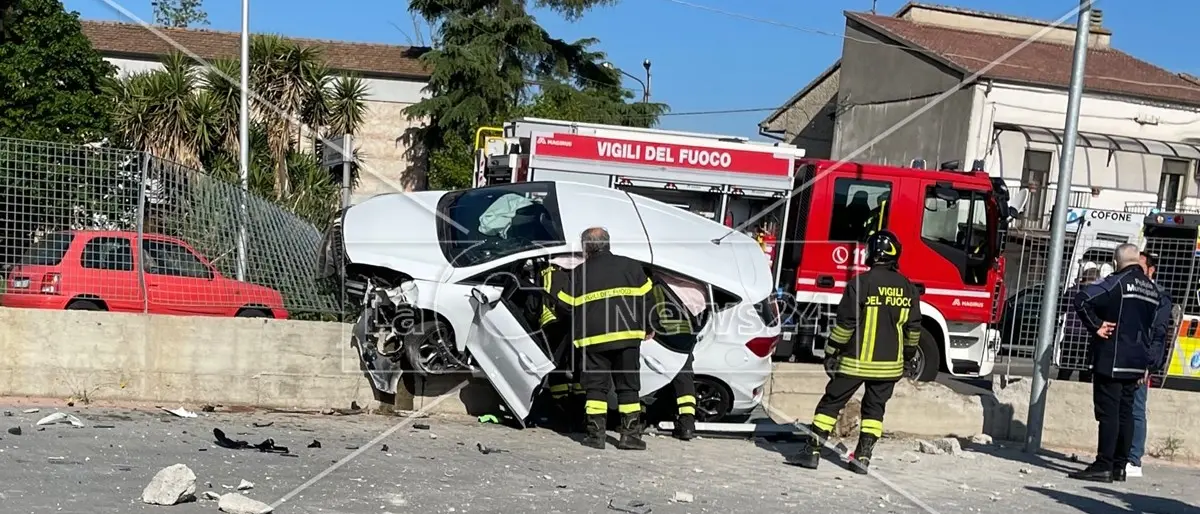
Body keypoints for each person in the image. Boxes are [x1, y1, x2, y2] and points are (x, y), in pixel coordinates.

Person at [784, 230, 922, 474]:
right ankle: (862, 459)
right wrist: (908, 355)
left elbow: (846, 324)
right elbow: (913, 329)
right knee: (874, 411)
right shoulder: (908, 288)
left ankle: (811, 452)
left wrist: (831, 350)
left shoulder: (860, 283)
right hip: (889, 367)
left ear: (870, 253)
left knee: (831, 404)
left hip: (854, 362)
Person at [545, 227, 653, 450]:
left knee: (595, 387)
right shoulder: (631, 266)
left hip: (592, 339)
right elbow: (649, 300)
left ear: (586, 248)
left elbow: (565, 305)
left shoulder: (579, 273)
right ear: (608, 243)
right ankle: (630, 436)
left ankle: (596, 436)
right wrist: (650, 327)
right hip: (627, 337)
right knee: (628, 387)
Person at [1070, 243, 1160, 483]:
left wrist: (1097, 325)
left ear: (1116, 262)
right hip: (1137, 360)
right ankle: (1120, 466)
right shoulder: (1151, 289)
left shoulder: (1117, 282)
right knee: (1126, 412)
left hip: (1112, 357)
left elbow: (1082, 299)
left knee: (1108, 412)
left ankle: (1103, 465)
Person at [1127, 251, 1174, 478]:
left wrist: (1149, 365)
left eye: (1140, 267)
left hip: (1142, 360)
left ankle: (1134, 459)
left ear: (1151, 270)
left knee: (1136, 408)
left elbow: (1158, 333)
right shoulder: (1130, 289)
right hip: (1124, 357)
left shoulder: (1160, 296)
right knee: (1119, 409)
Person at [647, 278, 704, 441]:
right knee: (684, 378)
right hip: (686, 334)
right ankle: (687, 423)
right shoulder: (691, 281)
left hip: (665, 334)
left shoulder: (656, 282)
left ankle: (639, 419)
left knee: (654, 372)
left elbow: (652, 308)